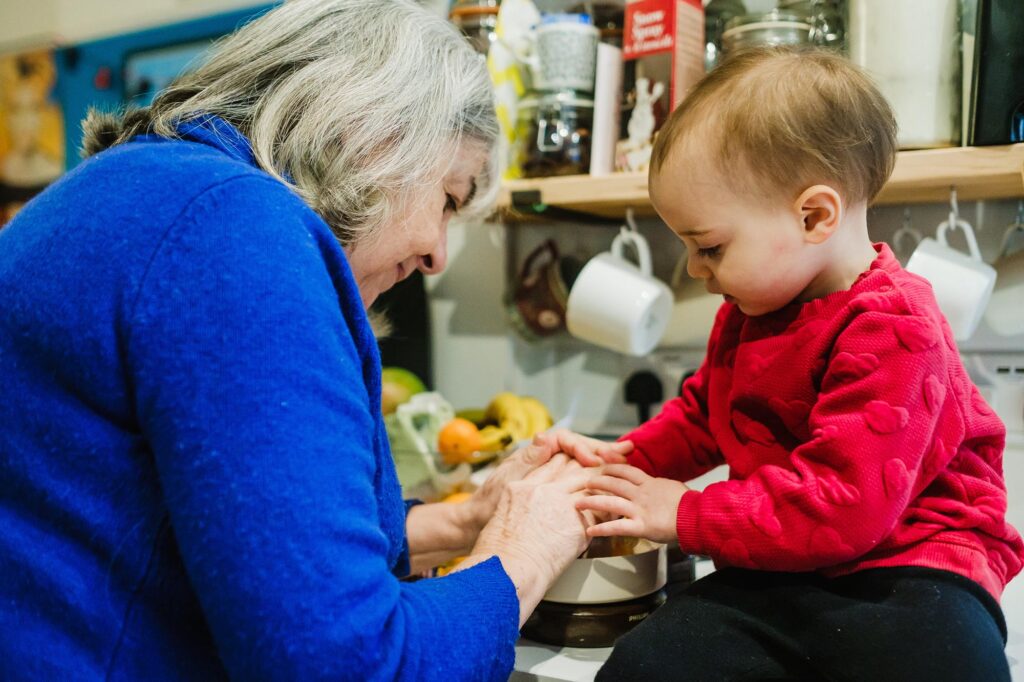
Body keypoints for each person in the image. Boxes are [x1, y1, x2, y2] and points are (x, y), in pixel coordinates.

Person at [0, 1, 630, 679]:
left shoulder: (146, 192)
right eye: (450, 198)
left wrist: (466, 520)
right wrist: (521, 553)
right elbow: (347, 664)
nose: (437, 255)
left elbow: (244, 546)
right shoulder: (232, 231)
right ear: (377, 132)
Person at [570, 47, 1024, 681]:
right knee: (647, 663)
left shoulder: (895, 327)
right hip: (780, 562)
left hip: (913, 569)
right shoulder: (751, 312)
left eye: (709, 247)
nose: (697, 271)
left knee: (947, 664)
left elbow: (846, 506)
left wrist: (684, 513)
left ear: (814, 215)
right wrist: (618, 466)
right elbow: (706, 415)